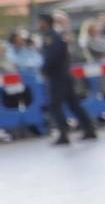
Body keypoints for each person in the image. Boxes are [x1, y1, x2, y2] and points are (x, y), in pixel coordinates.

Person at [37, 13, 97, 145]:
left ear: (45, 22)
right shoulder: (57, 35)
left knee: (55, 106)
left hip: (57, 76)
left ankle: (63, 134)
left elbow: (52, 56)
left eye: (40, 22)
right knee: (74, 104)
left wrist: (44, 69)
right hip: (64, 74)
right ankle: (89, 129)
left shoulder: (51, 37)